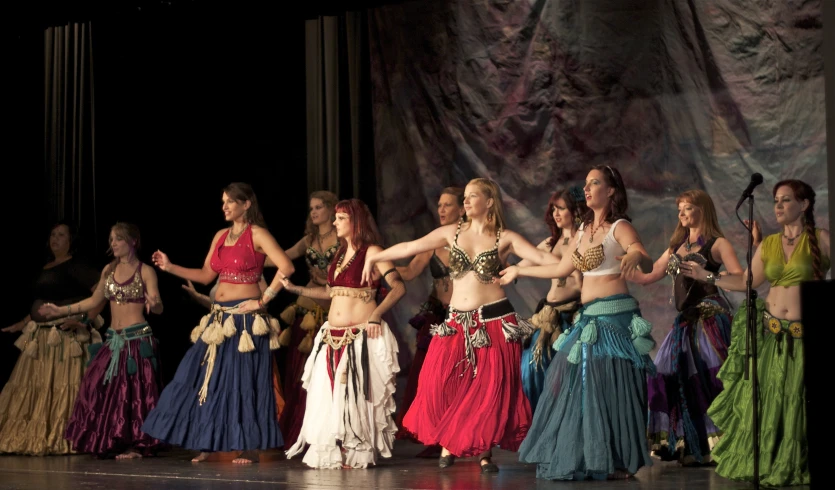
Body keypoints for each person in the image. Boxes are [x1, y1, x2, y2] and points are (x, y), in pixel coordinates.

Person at [363, 178, 558, 473]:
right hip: (455, 322)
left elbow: (548, 260)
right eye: (464, 197)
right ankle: (449, 442)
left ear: (489, 202)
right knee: (440, 383)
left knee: (488, 388)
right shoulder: (450, 233)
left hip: (494, 321)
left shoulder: (505, 238)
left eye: (472, 197)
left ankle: (484, 453)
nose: (465, 202)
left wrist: (528, 266)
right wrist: (376, 256)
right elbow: (410, 246)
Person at [500, 165, 657, 480]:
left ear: (611, 190)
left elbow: (640, 251)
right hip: (587, 318)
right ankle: (590, 455)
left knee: (612, 385)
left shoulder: (619, 227)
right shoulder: (584, 230)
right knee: (580, 385)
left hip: (614, 317)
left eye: (594, 183)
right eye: (585, 184)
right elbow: (560, 269)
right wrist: (519, 270)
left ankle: (618, 459)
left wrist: (634, 256)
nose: (587, 189)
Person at [680, 179, 829, 486]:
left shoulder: (822, 239)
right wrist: (707, 274)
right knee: (771, 402)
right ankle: (771, 462)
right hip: (773, 336)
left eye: (786, 200)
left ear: (803, 205)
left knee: (796, 403)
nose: (778, 206)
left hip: (803, 339)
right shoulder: (769, 245)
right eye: (776, 200)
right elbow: (746, 282)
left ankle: (797, 463)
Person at [141, 182, 295, 464]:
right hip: (218, 319)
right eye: (222, 202)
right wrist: (169, 266)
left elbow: (287, 267)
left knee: (243, 382)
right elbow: (204, 275)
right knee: (203, 378)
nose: (224, 206)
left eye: (230, 202)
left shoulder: (258, 235)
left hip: (246, 322)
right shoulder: (221, 236)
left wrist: (263, 301)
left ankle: (249, 447)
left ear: (246, 204)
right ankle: (206, 441)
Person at [281, 198, 404, 469]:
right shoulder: (338, 254)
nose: (334, 223)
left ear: (355, 221)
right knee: (329, 395)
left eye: (340, 218)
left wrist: (376, 314)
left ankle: (357, 449)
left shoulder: (373, 251)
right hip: (332, 335)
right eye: (334, 218)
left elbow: (397, 287)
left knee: (357, 396)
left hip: (361, 336)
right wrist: (296, 290)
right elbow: (329, 292)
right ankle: (336, 448)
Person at [630, 189, 742, 465]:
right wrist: (625, 266)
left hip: (711, 320)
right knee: (669, 374)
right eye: (679, 208)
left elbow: (740, 277)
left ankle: (721, 444)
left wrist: (711, 275)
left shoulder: (717, 244)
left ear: (702, 210)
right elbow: (649, 276)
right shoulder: (676, 247)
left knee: (710, 377)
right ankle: (691, 444)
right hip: (685, 323)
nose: (681, 214)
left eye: (687, 208)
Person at [38, 222, 164, 459]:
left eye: (118, 239)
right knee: (96, 386)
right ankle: (110, 440)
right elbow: (92, 302)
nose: (113, 244)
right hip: (112, 340)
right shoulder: (108, 270)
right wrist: (60, 310)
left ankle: (137, 445)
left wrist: (154, 303)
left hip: (136, 342)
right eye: (111, 240)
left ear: (132, 241)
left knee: (133, 395)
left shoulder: (145, 271)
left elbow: (157, 306)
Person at [0, 221, 105, 455]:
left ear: (71, 242)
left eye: (61, 235)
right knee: (34, 388)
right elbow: (44, 302)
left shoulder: (77, 266)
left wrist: (85, 320)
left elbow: (102, 292)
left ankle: (66, 434)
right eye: (52, 234)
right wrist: (24, 322)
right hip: (41, 338)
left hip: (65, 339)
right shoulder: (47, 266)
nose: (55, 238)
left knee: (63, 389)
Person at [393, 186, 464, 457]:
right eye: (440, 205)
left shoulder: (471, 240)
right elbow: (410, 271)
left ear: (462, 208)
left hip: (462, 317)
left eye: (448, 205)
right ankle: (435, 436)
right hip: (436, 315)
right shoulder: (434, 240)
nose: (441, 210)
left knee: (458, 376)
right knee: (431, 378)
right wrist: (381, 266)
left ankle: (459, 435)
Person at [275, 190, 339, 448]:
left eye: (319, 207)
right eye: (311, 208)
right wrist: (252, 256)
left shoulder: (342, 237)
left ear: (332, 210)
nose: (314, 212)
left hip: (335, 306)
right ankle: (301, 427)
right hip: (308, 305)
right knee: (303, 367)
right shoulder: (308, 239)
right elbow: (283, 256)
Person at [516, 186, 586, 414]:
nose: (556, 214)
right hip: (548, 315)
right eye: (554, 209)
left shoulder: (585, 241)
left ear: (575, 211)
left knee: (568, 374)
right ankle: (541, 421)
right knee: (531, 367)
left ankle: (566, 422)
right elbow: (518, 266)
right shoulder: (548, 243)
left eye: (562, 209)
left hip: (573, 316)